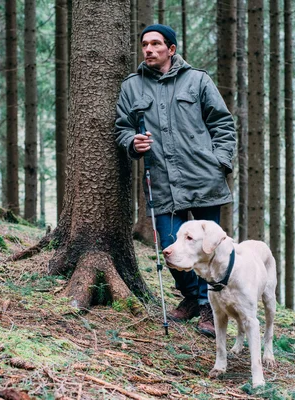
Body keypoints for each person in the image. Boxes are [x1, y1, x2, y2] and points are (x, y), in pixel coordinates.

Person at [114, 24, 236, 337]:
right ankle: (193, 298)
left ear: (171, 49)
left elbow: (223, 124)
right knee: (171, 247)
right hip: (162, 182)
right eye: (145, 44)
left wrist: (220, 162)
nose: (149, 49)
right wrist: (133, 143)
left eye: (156, 44)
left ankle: (210, 305)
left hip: (204, 178)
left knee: (211, 248)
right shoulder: (132, 87)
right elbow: (122, 128)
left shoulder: (198, 79)